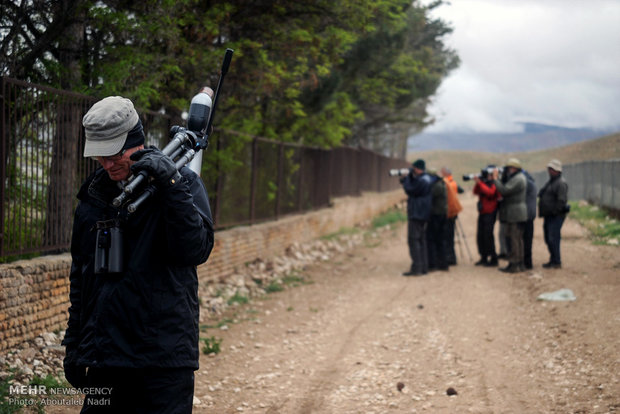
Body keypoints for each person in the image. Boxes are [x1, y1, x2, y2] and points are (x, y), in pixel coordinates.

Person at [62, 96, 215, 413]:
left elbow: (196, 249)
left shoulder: (182, 182)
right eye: (100, 157)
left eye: (115, 154)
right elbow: (82, 276)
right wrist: (75, 344)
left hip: (163, 360)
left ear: (136, 141)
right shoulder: (94, 195)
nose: (107, 164)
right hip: (106, 357)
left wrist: (170, 185)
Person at [492, 158, 527, 273]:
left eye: (509, 168)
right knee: (517, 238)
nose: (507, 170)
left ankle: (514, 263)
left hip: (515, 213)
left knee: (513, 239)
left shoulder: (518, 179)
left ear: (514, 168)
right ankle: (519, 263)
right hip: (516, 212)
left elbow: (504, 190)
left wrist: (495, 179)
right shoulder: (518, 178)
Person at [401, 159, 432, 276]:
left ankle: (417, 268)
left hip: (417, 213)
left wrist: (406, 179)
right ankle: (424, 267)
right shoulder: (426, 178)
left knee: (414, 240)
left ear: (418, 169)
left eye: (414, 169)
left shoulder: (422, 180)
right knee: (422, 240)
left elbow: (410, 190)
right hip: (423, 213)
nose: (412, 171)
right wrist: (410, 178)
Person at [538, 159, 569, 268]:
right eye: (549, 169)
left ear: (557, 170)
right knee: (548, 238)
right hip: (549, 216)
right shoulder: (552, 181)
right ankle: (553, 259)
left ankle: (556, 261)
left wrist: (554, 211)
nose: (549, 171)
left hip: (555, 216)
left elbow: (561, 200)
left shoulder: (560, 183)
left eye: (551, 169)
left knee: (553, 238)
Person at [473, 167, 500, 266]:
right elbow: (475, 192)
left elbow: (490, 192)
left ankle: (493, 258)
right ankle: (483, 257)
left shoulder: (495, 183)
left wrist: (480, 183)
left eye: (490, 175)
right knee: (480, 235)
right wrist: (478, 183)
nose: (488, 177)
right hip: (482, 212)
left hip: (490, 212)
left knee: (488, 236)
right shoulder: (484, 183)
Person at [427, 168, 449, 272]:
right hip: (442, 215)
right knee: (441, 240)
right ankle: (443, 263)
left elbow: (429, 195)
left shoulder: (437, 186)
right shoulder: (442, 185)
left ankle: (433, 263)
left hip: (436, 215)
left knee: (432, 239)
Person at [440, 167, 463, 265]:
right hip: (453, 212)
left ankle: (449, 258)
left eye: (442, 172)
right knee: (450, 236)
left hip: (449, 212)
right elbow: (461, 190)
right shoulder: (453, 182)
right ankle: (451, 257)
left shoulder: (447, 183)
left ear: (445, 173)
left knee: (448, 236)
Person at [522, 169, 538, 269]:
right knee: (527, 240)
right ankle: (527, 262)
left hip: (527, 215)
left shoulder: (528, 184)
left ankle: (527, 263)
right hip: (529, 215)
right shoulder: (531, 184)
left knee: (527, 241)